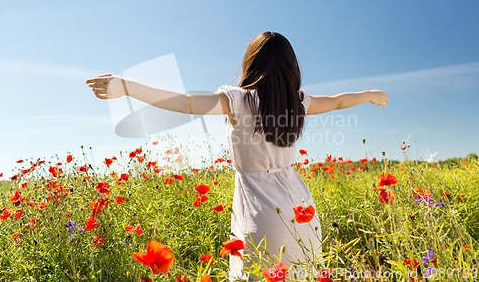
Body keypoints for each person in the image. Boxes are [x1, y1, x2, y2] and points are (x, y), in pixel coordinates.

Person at [85, 31, 388, 280]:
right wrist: (369, 95)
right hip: (301, 209)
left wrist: (127, 87)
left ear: (251, 63)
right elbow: (336, 102)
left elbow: (186, 104)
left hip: (262, 212)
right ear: (291, 67)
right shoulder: (297, 102)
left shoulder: (239, 100)